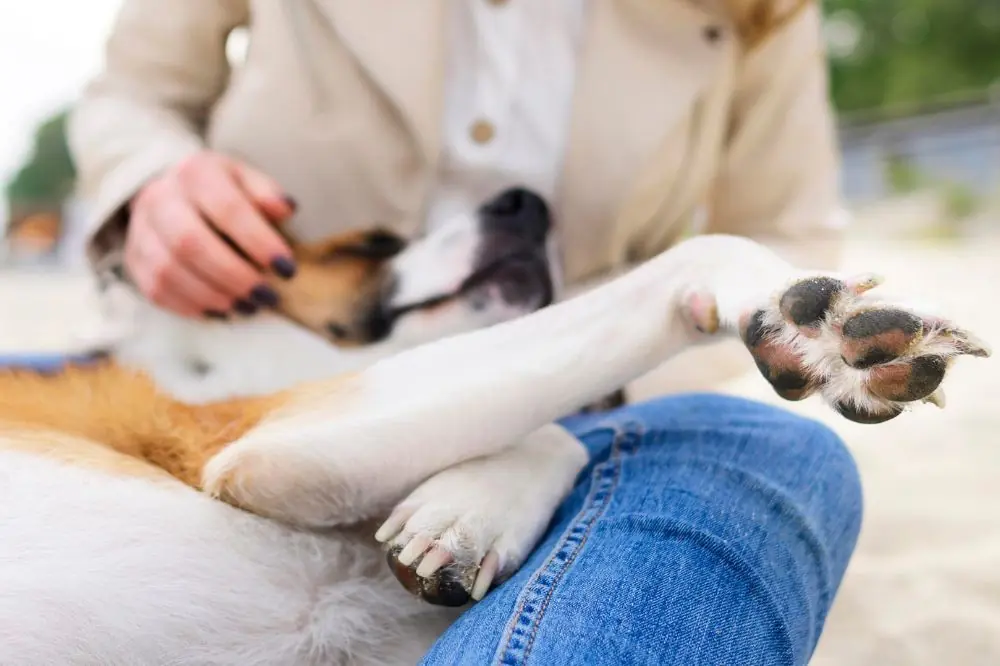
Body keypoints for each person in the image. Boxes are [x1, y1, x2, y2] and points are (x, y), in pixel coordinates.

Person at [65, 0, 860, 663]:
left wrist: (574, 383)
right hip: (244, 357)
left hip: (583, 390)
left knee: (784, 450)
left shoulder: (767, 15)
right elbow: (133, 93)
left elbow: (790, 249)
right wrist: (152, 180)